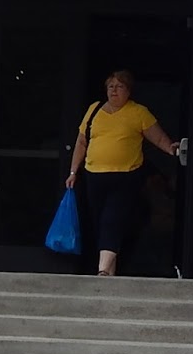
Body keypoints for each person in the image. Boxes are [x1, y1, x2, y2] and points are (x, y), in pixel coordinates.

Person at [66, 70, 176, 276]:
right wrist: (73, 171)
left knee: (112, 220)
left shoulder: (138, 112)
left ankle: (102, 272)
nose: (114, 91)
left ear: (129, 91)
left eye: (120, 87)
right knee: (101, 222)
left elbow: (159, 138)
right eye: (111, 86)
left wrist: (172, 149)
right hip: (94, 175)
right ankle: (110, 273)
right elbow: (81, 142)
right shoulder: (94, 110)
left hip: (125, 176)